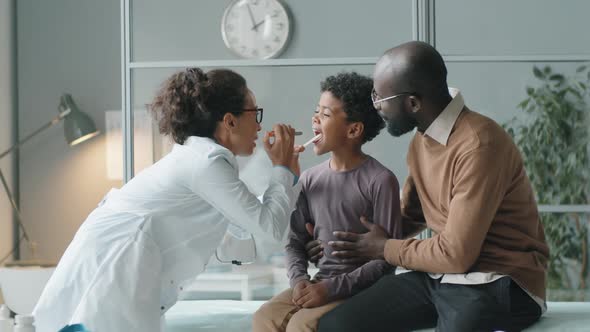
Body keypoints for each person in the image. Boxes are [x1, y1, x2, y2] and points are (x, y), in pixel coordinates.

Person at [33, 68, 304, 332]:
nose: (258, 124)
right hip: (119, 257)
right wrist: (281, 168)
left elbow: (243, 221)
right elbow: (268, 228)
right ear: (230, 121)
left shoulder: (201, 158)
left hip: (115, 249)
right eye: (254, 113)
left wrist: (288, 174)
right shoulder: (207, 163)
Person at [317, 41, 550, 331]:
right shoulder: (422, 140)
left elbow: (455, 253)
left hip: (499, 279)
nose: (375, 106)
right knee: (336, 326)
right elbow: (410, 216)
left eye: (381, 97)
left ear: (413, 103)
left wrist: (385, 248)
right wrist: (343, 239)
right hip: (442, 275)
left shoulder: (479, 144)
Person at [253, 72, 402, 332]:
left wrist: (330, 289)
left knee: (302, 325)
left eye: (325, 114)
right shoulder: (310, 179)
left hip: (362, 290)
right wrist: (299, 279)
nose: (315, 119)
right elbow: (295, 242)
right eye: (316, 111)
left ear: (354, 129)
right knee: (265, 318)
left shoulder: (381, 180)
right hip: (319, 282)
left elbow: (386, 260)